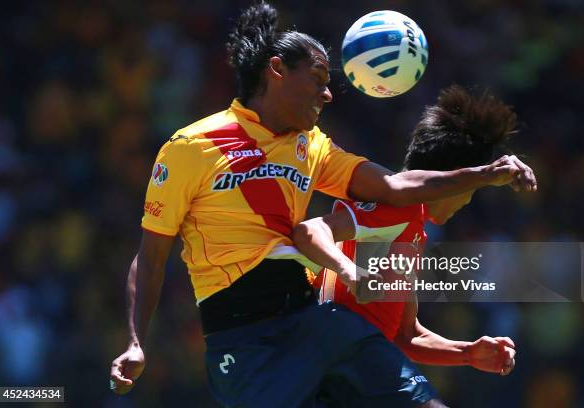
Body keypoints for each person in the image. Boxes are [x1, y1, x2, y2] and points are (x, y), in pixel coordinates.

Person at [109, 2, 536, 407]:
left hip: (316, 322)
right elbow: (150, 258)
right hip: (243, 341)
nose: (328, 94)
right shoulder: (190, 147)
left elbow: (395, 185)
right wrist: (136, 341)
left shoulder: (313, 147)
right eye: (318, 79)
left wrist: (487, 172)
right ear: (277, 70)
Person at [293, 85, 523, 402]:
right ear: (451, 179)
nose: (467, 201)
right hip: (340, 360)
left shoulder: (414, 230)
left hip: (355, 371)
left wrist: (468, 353)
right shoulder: (397, 209)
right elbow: (311, 231)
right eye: (469, 189)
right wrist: (349, 271)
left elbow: (404, 334)